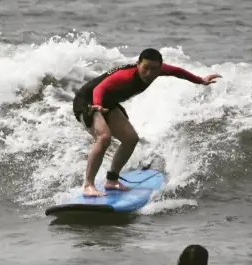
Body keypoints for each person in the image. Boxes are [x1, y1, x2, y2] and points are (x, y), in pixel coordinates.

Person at [72, 49, 220, 197]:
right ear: (138, 64)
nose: (149, 73)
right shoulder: (126, 76)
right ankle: (88, 185)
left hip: (108, 103)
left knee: (130, 139)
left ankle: (112, 180)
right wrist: (97, 105)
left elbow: (178, 72)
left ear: (160, 67)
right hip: (88, 102)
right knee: (104, 137)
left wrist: (200, 80)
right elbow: (99, 88)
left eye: (154, 69)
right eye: (145, 68)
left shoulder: (159, 70)